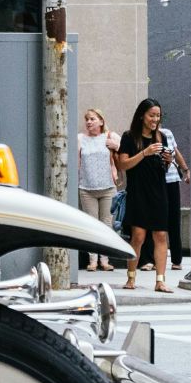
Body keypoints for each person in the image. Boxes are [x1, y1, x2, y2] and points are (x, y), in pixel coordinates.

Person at [116, 99, 174, 292]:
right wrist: (145, 152)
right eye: (152, 115)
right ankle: (131, 278)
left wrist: (168, 160)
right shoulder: (129, 137)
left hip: (159, 191)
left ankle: (160, 280)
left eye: (158, 115)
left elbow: (161, 168)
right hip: (138, 192)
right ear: (142, 115)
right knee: (138, 236)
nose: (155, 119)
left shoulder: (162, 137)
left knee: (160, 235)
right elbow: (123, 165)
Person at [76, 108, 120, 271]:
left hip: (108, 187)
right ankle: (92, 260)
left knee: (106, 225)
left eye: (92, 119)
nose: (88, 122)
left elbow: (125, 153)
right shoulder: (80, 138)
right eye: (87, 119)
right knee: (91, 225)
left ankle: (105, 260)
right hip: (87, 188)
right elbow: (75, 161)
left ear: (101, 121)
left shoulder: (110, 137)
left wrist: (116, 146)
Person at [156, 108, 189, 270]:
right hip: (154, 182)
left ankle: (177, 259)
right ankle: (152, 260)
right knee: (154, 221)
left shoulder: (167, 133)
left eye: (157, 117)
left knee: (174, 220)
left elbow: (176, 151)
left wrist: (185, 170)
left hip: (171, 180)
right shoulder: (142, 136)